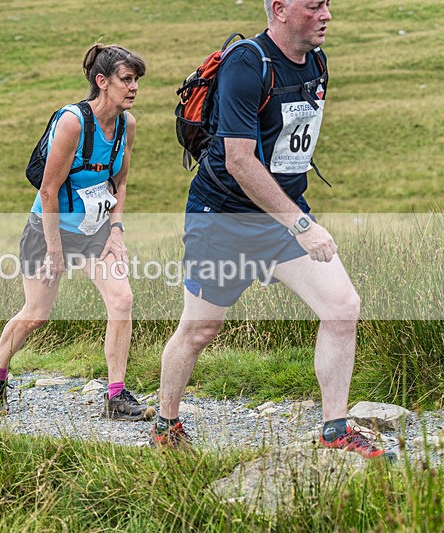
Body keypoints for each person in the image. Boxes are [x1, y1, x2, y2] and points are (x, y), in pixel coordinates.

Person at [152, 0, 393, 460]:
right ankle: (165, 422)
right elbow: (240, 161)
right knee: (200, 329)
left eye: (328, 4)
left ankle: (334, 429)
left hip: (281, 214)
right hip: (224, 217)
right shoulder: (248, 63)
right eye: (314, 5)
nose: (326, 14)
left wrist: (295, 217)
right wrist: (302, 225)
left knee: (342, 306)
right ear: (280, 9)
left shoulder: (317, 61)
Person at [0, 44, 155, 421]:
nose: (134, 88)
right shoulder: (72, 122)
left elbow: (120, 183)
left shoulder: (128, 124)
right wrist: (56, 253)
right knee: (36, 315)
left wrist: (116, 232)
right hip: (49, 231)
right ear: (102, 81)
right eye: (126, 79)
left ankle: (116, 395)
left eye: (136, 80)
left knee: (122, 300)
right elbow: (47, 190)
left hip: (96, 233)